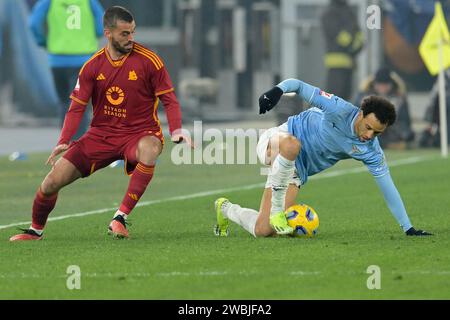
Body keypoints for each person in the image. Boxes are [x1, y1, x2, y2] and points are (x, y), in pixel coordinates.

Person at [10, 6, 193, 241]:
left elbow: (169, 99)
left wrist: (177, 129)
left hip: (138, 133)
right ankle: (35, 231)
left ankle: (119, 218)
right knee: (51, 182)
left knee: (150, 149)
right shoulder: (92, 67)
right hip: (100, 135)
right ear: (108, 33)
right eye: (124, 34)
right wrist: (64, 141)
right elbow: (77, 107)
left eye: (133, 33)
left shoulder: (149, 61)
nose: (131, 39)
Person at [214, 78, 432, 238]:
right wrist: (276, 91)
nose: (369, 135)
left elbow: (388, 187)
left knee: (264, 230)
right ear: (360, 114)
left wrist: (408, 227)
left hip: (297, 170)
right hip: (278, 139)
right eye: (368, 127)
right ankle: (279, 212)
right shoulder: (338, 108)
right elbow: (298, 85)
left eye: (377, 133)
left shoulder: (371, 151)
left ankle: (226, 209)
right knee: (293, 145)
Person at [29, 0, 104, 139]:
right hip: (83, 59)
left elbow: (34, 23)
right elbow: (101, 25)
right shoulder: (89, 2)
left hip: (57, 60)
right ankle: (77, 143)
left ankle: (65, 141)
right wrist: (93, 35)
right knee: (80, 102)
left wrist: (42, 41)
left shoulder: (49, 1)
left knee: (64, 101)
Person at [354, 67, 415, 149]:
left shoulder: (399, 98)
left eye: (385, 85)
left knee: (408, 134)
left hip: (392, 129)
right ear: (375, 84)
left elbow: (405, 120)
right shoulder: (363, 97)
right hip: (369, 128)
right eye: (380, 85)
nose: (383, 88)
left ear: (391, 84)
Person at [321, 0, 364, 100]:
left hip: (348, 63)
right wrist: (352, 44)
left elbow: (359, 36)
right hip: (336, 65)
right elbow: (338, 38)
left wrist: (355, 45)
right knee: (335, 97)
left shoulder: (348, 12)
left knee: (345, 97)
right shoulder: (330, 14)